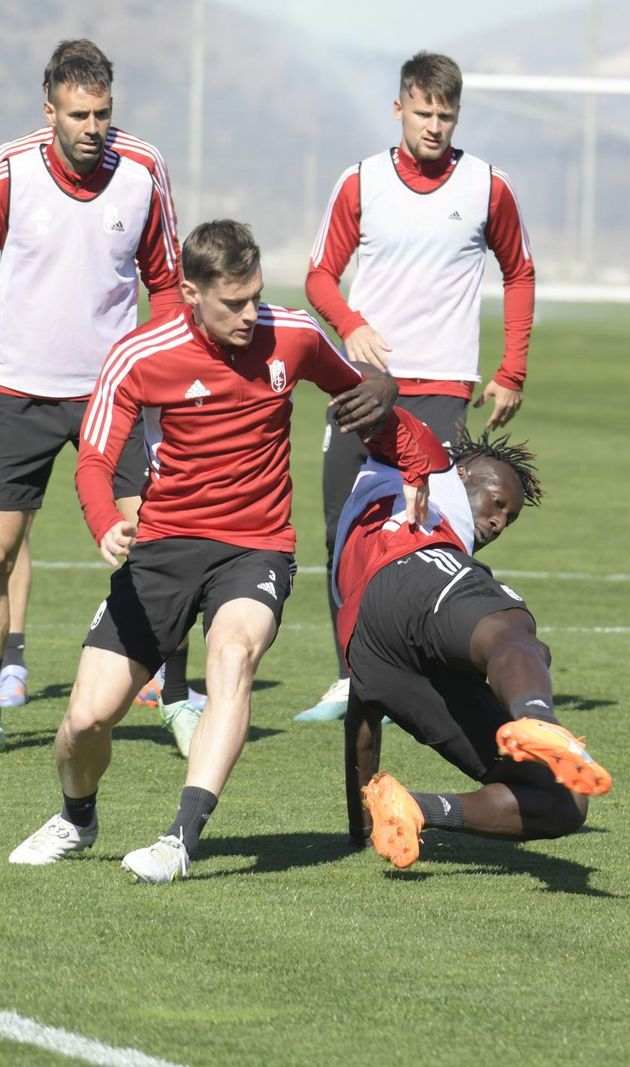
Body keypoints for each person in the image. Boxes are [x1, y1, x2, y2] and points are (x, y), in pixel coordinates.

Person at [6, 220, 398, 883]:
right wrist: (106, 521)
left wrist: (384, 390)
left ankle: (180, 839)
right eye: (234, 304)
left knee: (233, 654)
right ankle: (76, 817)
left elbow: (355, 385)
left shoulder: (293, 334)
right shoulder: (141, 354)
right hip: (163, 548)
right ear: (189, 291)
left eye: (255, 297)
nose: (252, 315)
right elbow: (97, 458)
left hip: (256, 546)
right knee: (84, 719)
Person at [297, 50, 536, 724]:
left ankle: (433, 669)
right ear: (398, 106)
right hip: (362, 389)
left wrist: (512, 367)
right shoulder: (360, 183)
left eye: (446, 115)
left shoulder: (489, 186)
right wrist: (352, 323)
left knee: (429, 532)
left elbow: (519, 272)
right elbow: (319, 276)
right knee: (341, 531)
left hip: (442, 388)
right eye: (423, 112)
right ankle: (351, 677)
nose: (434, 126)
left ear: (458, 115)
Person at [0, 40, 190, 743]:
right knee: (0, 547)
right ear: (48, 109)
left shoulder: (142, 169)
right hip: (16, 390)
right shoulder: (11, 170)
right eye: (77, 114)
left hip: (114, 392)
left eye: (102, 114)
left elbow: (166, 281)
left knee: (159, 533)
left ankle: (174, 690)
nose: (91, 127)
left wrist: (168, 375)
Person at [332, 414, 610, 869]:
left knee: (565, 802)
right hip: (408, 568)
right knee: (513, 628)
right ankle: (538, 718)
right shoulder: (434, 467)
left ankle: (416, 809)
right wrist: (374, 387)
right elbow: (386, 422)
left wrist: (359, 831)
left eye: (509, 519)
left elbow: (362, 720)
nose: (499, 523)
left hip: (368, 648)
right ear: (463, 473)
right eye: (497, 503)